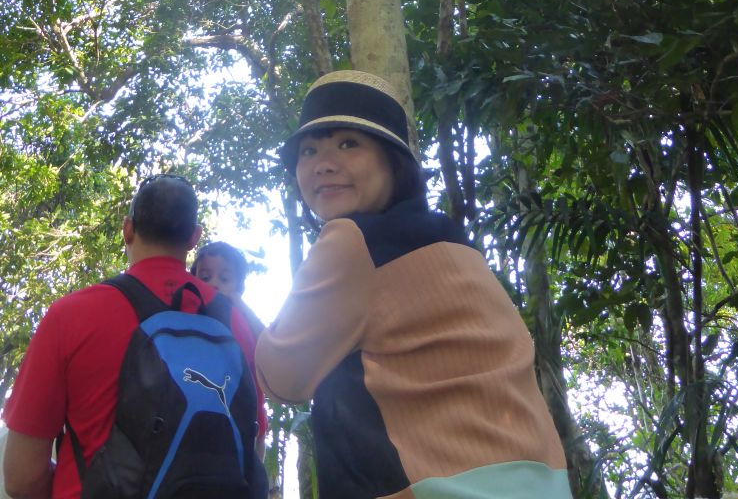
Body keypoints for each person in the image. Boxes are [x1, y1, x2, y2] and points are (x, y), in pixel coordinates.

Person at [254, 70, 573, 499]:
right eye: (309, 151)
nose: (323, 164)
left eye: (349, 144)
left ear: (392, 159)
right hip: (537, 481)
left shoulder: (352, 241)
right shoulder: (454, 242)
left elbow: (283, 376)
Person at [2, 173, 268, 499]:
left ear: (128, 229)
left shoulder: (72, 315)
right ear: (193, 238)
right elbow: (252, 450)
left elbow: (21, 478)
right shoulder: (237, 325)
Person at [191, 240, 269, 454]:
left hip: (251, 423)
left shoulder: (242, 316)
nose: (214, 283)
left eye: (224, 278)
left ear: (238, 286)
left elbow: (267, 342)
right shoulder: (191, 317)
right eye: (205, 277)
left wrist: (240, 304)